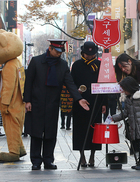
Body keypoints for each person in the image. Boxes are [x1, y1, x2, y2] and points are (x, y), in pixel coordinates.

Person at [24, 39, 90, 171]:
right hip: (36, 103)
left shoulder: (62, 65)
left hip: (53, 104)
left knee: (50, 133)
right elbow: (29, 82)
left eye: (61, 51)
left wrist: (79, 99)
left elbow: (70, 84)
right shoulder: (36, 62)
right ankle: (36, 161)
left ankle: (48, 160)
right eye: (57, 51)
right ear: (50, 48)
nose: (59, 54)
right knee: (36, 133)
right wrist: (27, 101)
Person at [71, 41, 107, 168]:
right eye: (87, 54)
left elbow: (105, 84)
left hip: (96, 102)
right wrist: (77, 92)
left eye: (92, 54)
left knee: (95, 130)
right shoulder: (76, 65)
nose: (90, 56)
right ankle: (82, 156)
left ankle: (92, 155)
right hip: (80, 102)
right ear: (83, 53)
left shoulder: (100, 65)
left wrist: (104, 103)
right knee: (80, 130)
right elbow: (71, 83)